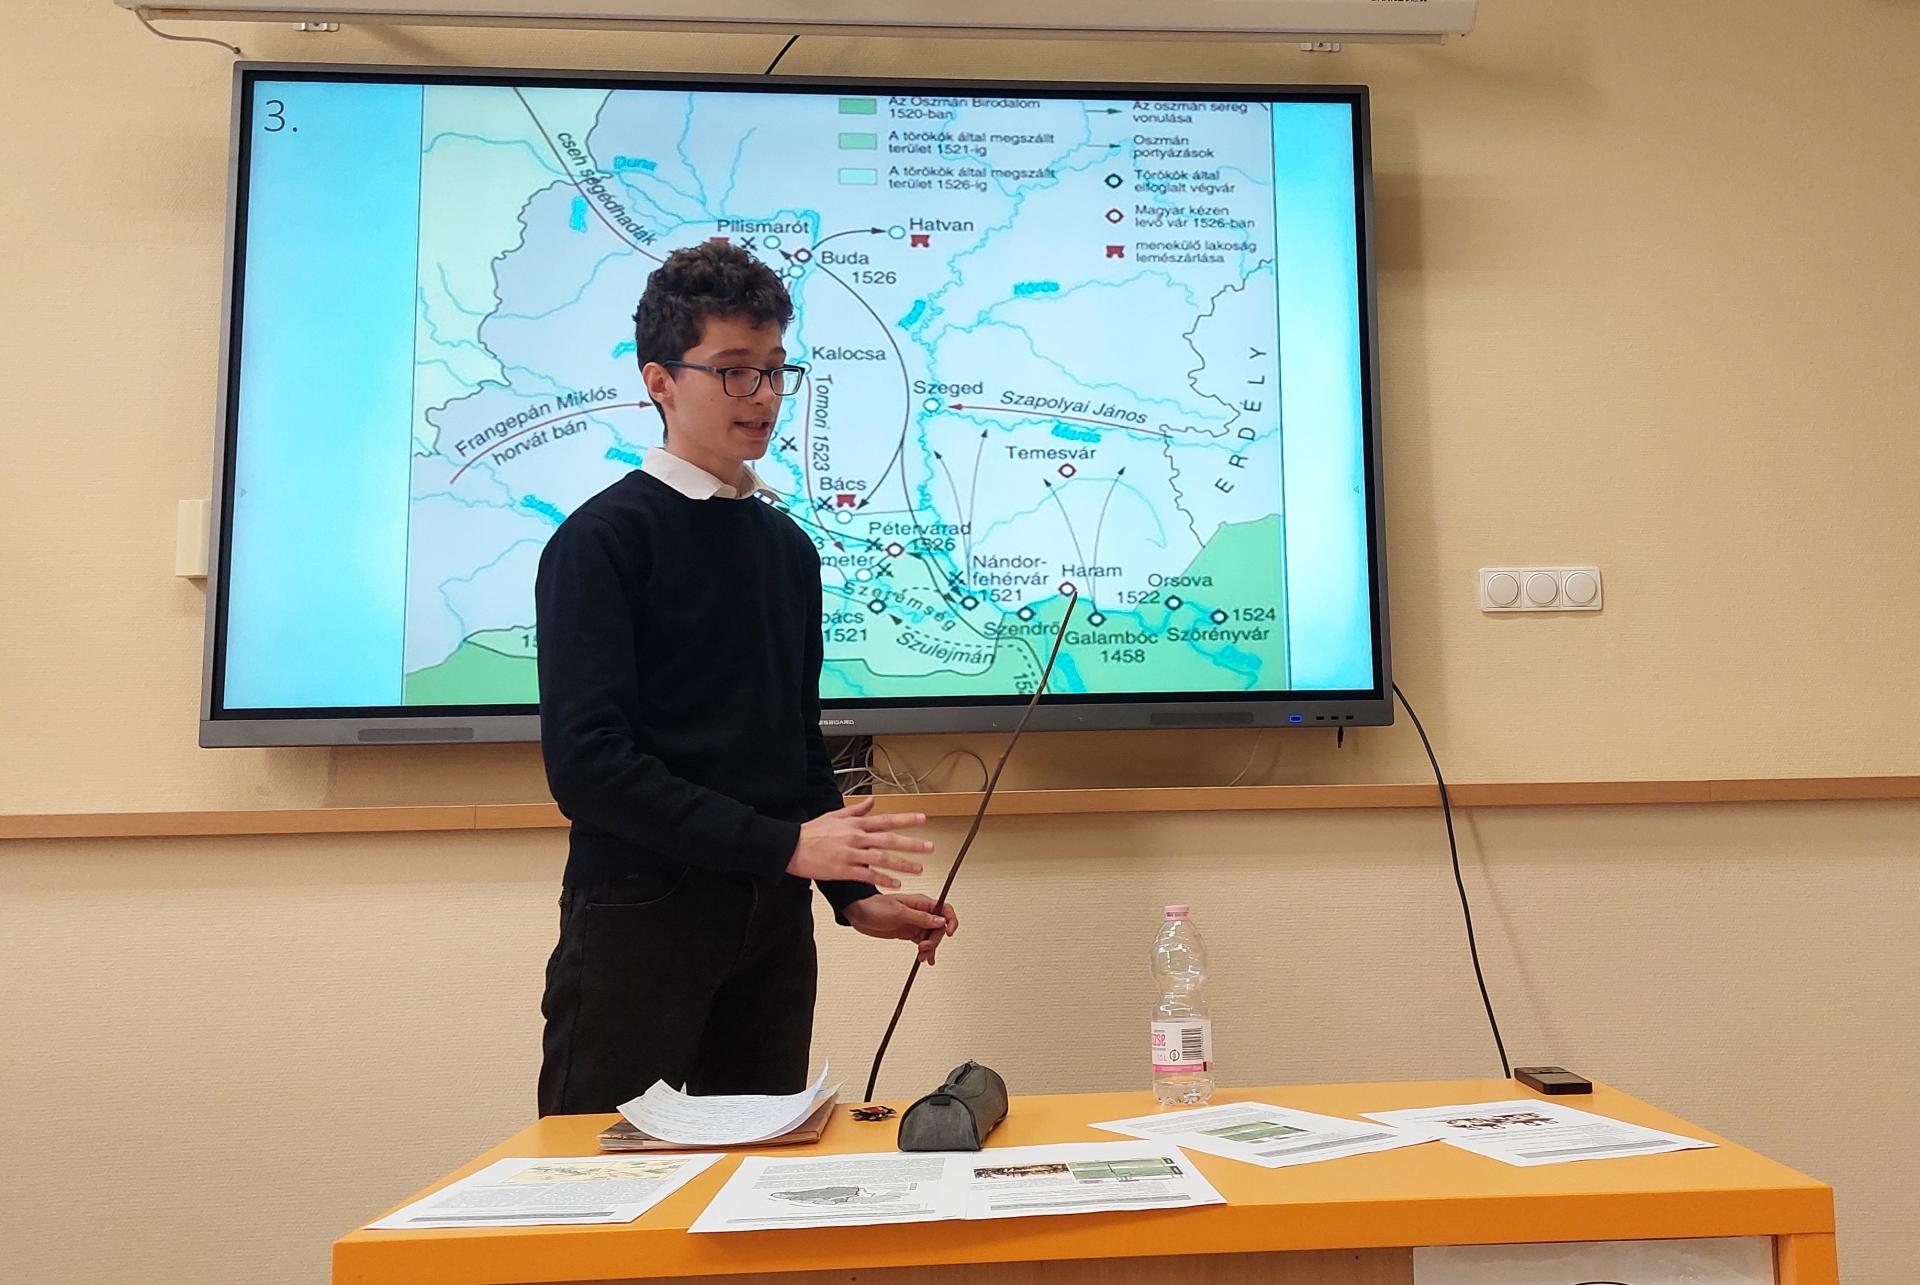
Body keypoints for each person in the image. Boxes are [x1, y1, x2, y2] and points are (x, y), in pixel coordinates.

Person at [532, 241, 958, 1116]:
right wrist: (786, 846)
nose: (761, 395)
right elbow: (588, 766)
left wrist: (850, 895)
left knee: (761, 1179)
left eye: (774, 370)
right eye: (733, 370)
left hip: (772, 928)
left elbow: (795, 748)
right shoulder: (601, 542)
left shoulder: (786, 548)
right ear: (660, 381)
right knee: (603, 1177)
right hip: (639, 921)